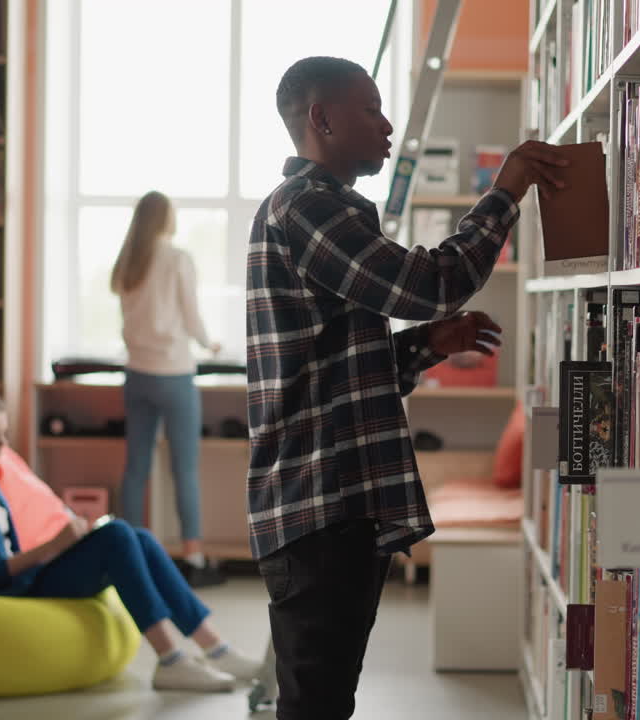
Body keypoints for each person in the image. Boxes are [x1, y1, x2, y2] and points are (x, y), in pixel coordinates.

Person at [245, 55, 567, 720]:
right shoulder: (308, 208)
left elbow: (339, 373)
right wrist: (505, 190)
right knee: (317, 704)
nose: (389, 125)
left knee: (325, 699)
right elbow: (432, 284)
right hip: (323, 501)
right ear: (322, 119)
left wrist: (426, 344)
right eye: (370, 109)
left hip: (337, 500)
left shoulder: (319, 209)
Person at [0, 387, 260, 692]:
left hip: (28, 573)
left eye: (4, 434)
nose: (3, 445)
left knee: (138, 537)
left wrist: (62, 542)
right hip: (7, 586)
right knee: (116, 536)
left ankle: (216, 648)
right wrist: (52, 547)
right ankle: (170, 659)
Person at [111, 191, 224, 587]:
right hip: (174, 374)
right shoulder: (177, 258)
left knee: (136, 468)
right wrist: (210, 343)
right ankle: (193, 556)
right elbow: (191, 317)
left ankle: (127, 553)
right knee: (184, 468)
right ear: (166, 219)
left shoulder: (128, 261)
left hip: (137, 374)